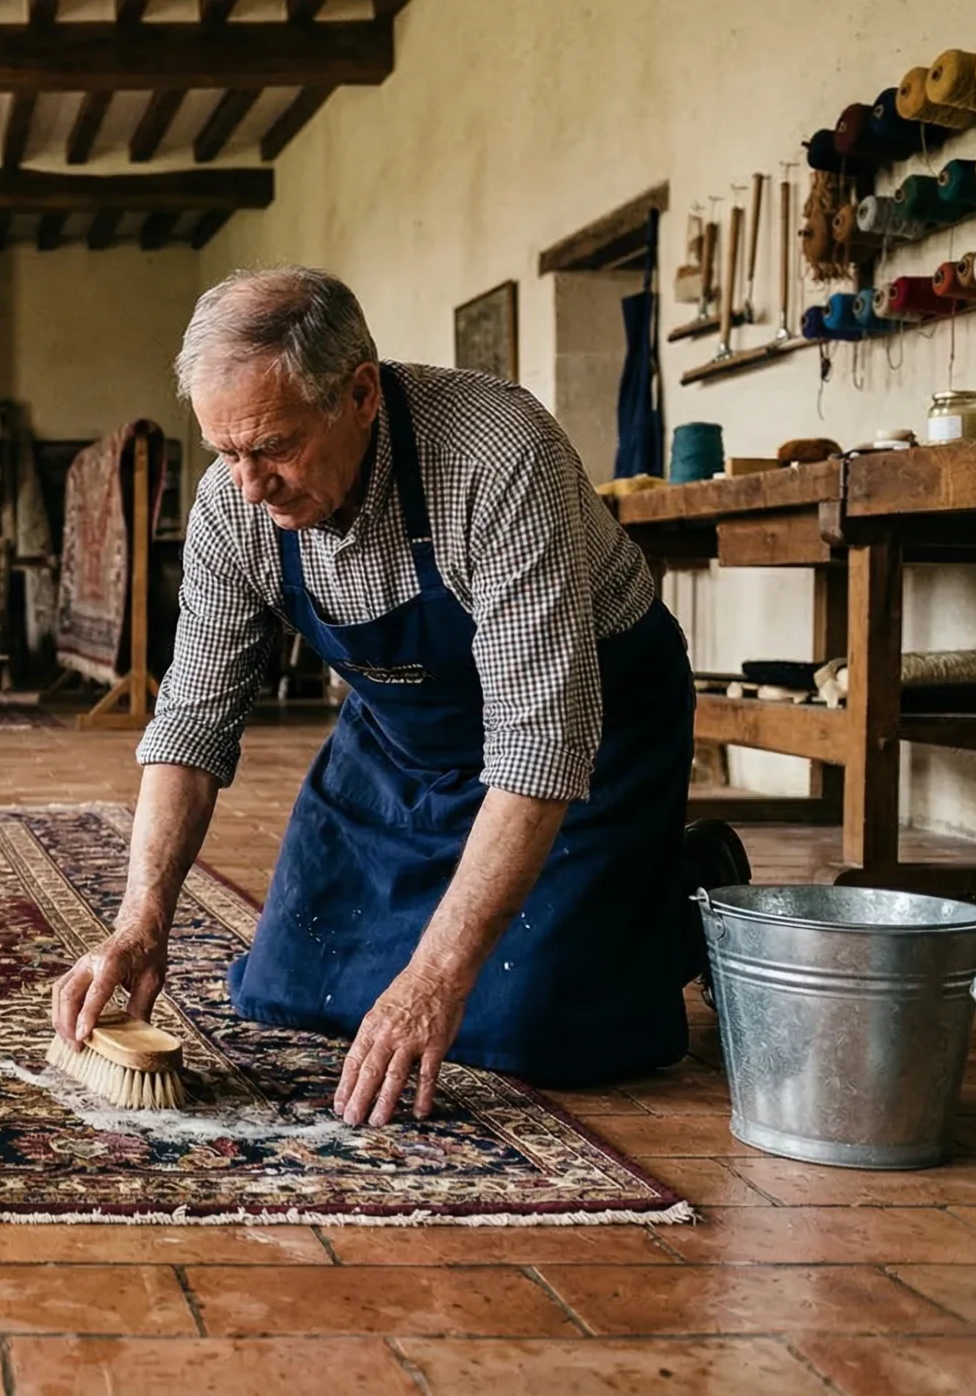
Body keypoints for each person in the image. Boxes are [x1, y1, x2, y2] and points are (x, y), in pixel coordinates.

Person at [49, 267, 747, 1127]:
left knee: (540, 1034)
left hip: (591, 728)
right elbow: (192, 720)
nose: (250, 483)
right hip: (408, 736)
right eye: (226, 452)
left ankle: (685, 886)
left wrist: (434, 978)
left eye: (273, 446)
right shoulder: (235, 504)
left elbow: (539, 740)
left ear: (361, 393)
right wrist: (141, 921)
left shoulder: (496, 454)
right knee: (285, 992)